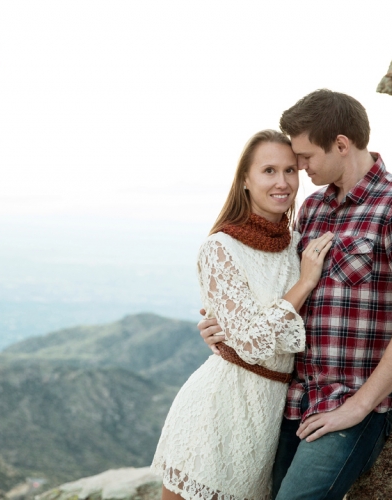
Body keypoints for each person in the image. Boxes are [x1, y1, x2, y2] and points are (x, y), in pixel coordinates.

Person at [198, 89, 392, 500]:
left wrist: (359, 407)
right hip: (295, 401)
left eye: (306, 157)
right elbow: (278, 289)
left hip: (352, 405)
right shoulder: (313, 209)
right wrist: (226, 326)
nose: (300, 167)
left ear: (342, 145)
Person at [151, 129, 335, 500]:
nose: (282, 182)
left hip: (269, 416)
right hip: (219, 406)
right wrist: (303, 284)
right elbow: (251, 342)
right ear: (245, 181)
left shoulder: (297, 246)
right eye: (268, 170)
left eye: (289, 170)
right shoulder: (220, 247)